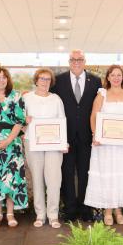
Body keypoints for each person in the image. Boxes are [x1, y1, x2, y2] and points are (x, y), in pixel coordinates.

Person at [50, 50, 102, 222]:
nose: (77, 62)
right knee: (67, 173)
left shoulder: (95, 81)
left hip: (88, 136)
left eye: (80, 59)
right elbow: (48, 99)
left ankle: (85, 209)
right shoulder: (58, 80)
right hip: (65, 136)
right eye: (73, 59)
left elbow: (101, 108)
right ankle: (70, 209)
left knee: (86, 173)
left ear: (84, 61)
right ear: (69, 61)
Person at [84, 65, 123, 225]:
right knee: (107, 175)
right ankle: (107, 211)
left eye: (119, 75)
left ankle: (118, 210)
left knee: (120, 175)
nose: (116, 78)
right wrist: (95, 134)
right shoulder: (102, 94)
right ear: (108, 77)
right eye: (112, 75)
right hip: (104, 144)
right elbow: (93, 115)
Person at [0, 67, 27, 228]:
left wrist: (8, 141)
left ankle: (10, 213)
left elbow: (20, 121)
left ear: (8, 80)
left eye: (4, 77)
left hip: (12, 143)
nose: (1, 80)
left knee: (11, 177)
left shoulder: (16, 96)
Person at [23, 68, 66, 229]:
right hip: (32, 142)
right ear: (36, 80)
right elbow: (20, 123)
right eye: (42, 79)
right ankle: (40, 215)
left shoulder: (56, 99)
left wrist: (63, 143)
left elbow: (62, 121)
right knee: (37, 178)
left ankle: (53, 215)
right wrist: (24, 121)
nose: (45, 82)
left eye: (48, 79)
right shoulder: (27, 98)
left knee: (54, 179)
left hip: (54, 145)